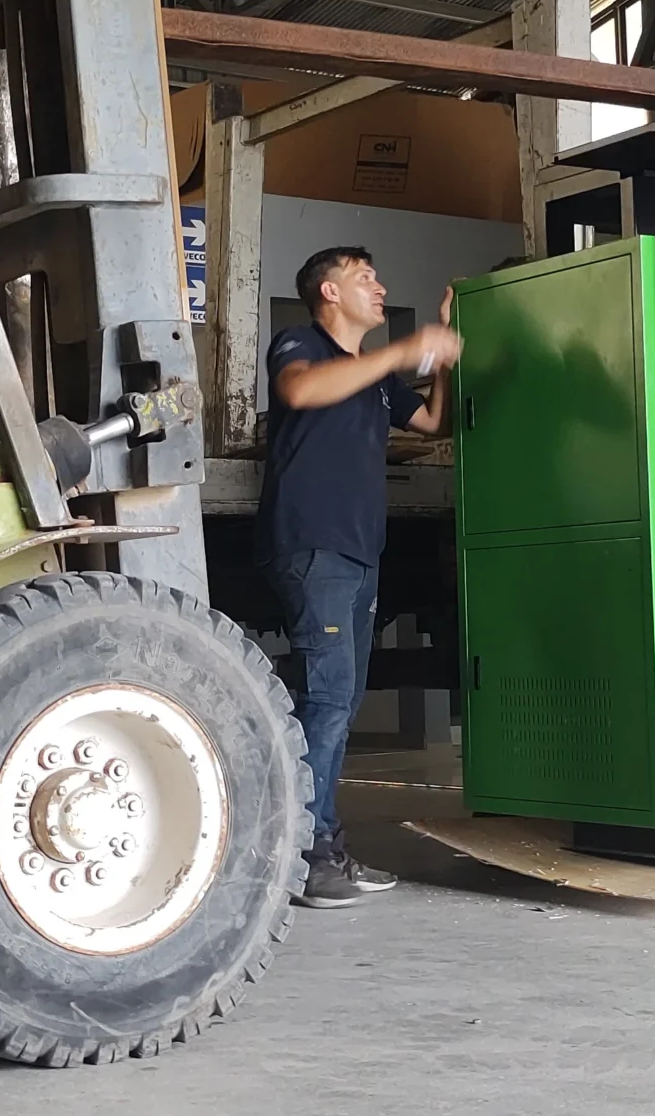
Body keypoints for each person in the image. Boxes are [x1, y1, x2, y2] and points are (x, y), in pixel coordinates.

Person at [257, 247, 461, 909]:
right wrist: (404, 350)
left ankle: (325, 845)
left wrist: (442, 354)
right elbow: (299, 390)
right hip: (314, 547)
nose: (379, 286)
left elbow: (432, 422)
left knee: (338, 704)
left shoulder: (373, 377)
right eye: (364, 278)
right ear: (328, 291)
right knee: (325, 702)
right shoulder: (301, 344)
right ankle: (304, 858)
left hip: (359, 553)